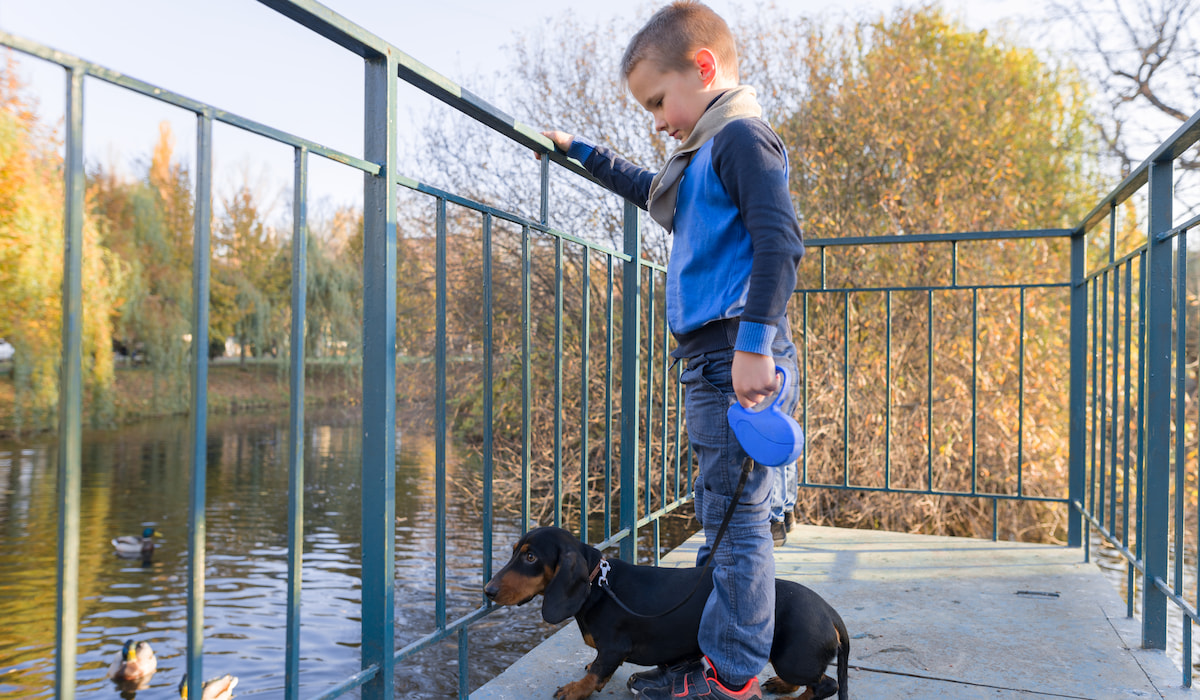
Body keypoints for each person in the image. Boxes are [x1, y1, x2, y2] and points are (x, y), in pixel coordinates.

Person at [540, 3, 804, 698]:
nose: (657, 119)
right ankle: (711, 659)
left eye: (659, 100)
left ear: (705, 69)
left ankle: (729, 679)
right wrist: (584, 153)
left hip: (732, 354)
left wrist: (754, 346)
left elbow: (780, 241)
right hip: (718, 356)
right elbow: (649, 188)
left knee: (736, 527)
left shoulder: (741, 139)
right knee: (722, 517)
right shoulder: (700, 157)